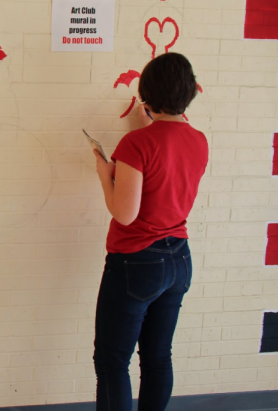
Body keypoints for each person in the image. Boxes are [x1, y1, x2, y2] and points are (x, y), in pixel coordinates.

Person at [91, 52, 209, 411]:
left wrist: (103, 172)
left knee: (112, 362)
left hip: (136, 263)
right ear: (189, 92)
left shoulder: (137, 145)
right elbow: (166, 165)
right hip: (179, 260)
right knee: (157, 358)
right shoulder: (199, 140)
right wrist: (145, 132)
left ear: (146, 94)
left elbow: (125, 215)